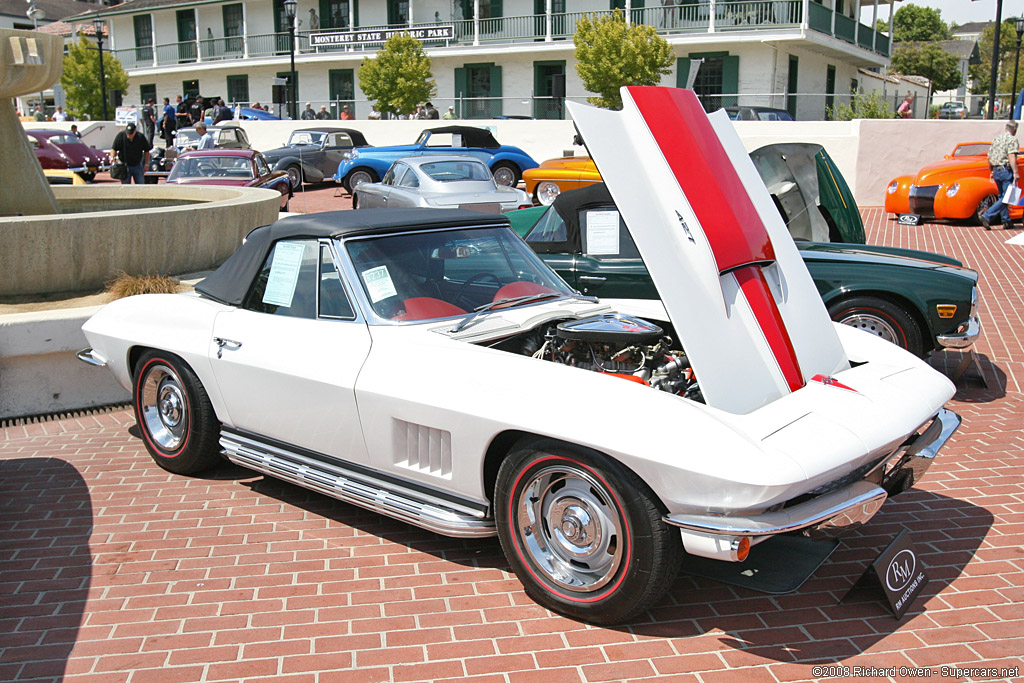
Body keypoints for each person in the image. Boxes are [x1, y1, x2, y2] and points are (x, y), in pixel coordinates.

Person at [980, 120, 1020, 230]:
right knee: (1007, 198)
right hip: (1005, 170)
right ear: (1015, 130)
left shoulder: (997, 139)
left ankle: (1006, 220)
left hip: (997, 169)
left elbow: (989, 157)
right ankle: (987, 216)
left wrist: (991, 171)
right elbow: (1012, 156)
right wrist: (1016, 172)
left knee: (1002, 196)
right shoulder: (1012, 140)